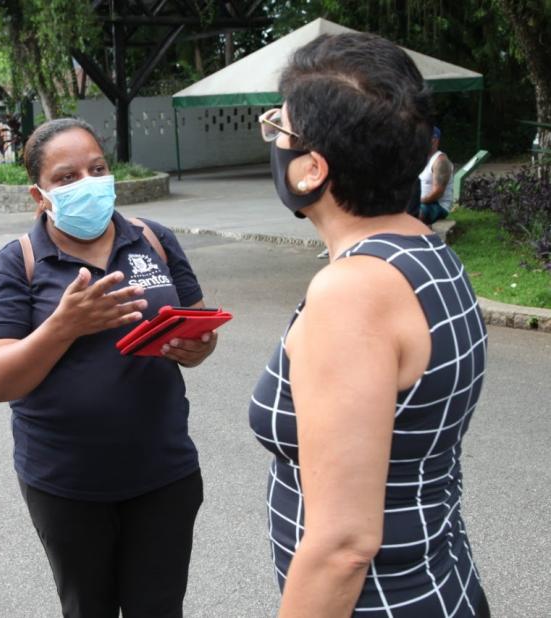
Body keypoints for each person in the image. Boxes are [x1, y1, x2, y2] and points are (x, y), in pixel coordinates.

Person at [248, 34, 489, 616]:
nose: (274, 140)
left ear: (311, 169)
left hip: (382, 604)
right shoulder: (423, 249)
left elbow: (343, 547)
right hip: (440, 581)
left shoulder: (352, 293)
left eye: (279, 127)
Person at [0, 118, 218, 617]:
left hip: (163, 471)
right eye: (66, 178)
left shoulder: (154, 239)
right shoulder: (15, 263)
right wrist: (64, 325)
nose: (88, 183)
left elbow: (196, 325)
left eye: (97, 168)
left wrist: (198, 347)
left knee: (160, 609)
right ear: (39, 195)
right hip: (66, 482)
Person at [413, 126, 454, 224]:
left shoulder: (440, 161)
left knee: (415, 213)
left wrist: (416, 202)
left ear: (434, 140)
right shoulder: (422, 159)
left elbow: (438, 192)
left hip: (437, 205)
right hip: (421, 202)